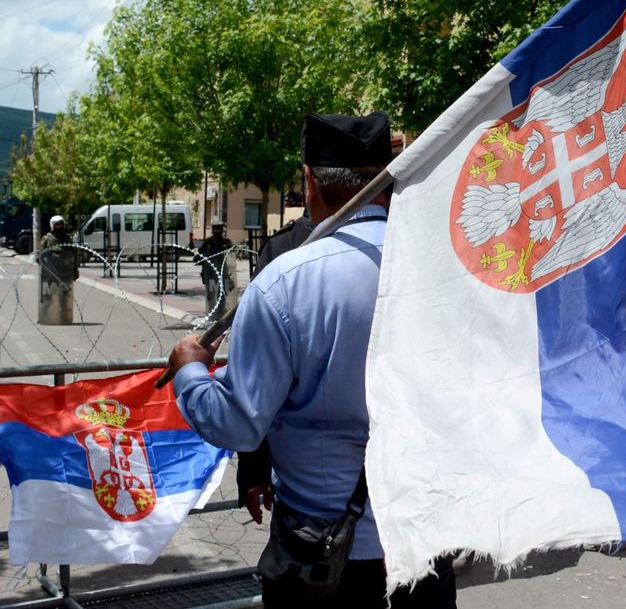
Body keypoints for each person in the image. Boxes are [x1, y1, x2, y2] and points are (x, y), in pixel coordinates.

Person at [165, 112, 456, 607]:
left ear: (309, 182)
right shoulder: (447, 269)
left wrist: (189, 368)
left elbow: (239, 424)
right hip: (427, 544)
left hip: (322, 560)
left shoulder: (286, 283)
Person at [239, 211, 314, 525]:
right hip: (406, 483)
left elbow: (257, 375)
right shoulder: (407, 239)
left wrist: (254, 466)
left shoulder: (288, 249)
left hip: (307, 487)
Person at [196, 222, 233, 320]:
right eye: (216, 229)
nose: (217, 232)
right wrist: (201, 258)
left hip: (223, 273)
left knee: (222, 295)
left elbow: (233, 252)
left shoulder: (226, 242)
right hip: (210, 273)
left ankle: (221, 315)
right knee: (211, 296)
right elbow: (198, 256)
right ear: (213, 230)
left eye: (219, 229)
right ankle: (212, 315)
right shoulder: (208, 242)